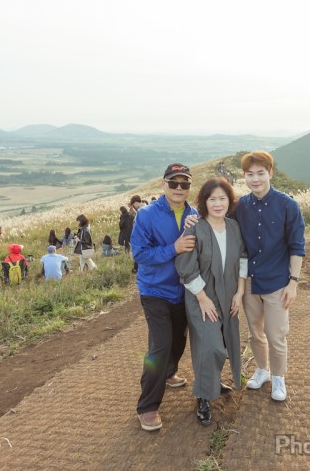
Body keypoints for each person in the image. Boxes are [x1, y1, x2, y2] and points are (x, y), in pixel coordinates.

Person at [175, 177, 247, 426]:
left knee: (226, 342)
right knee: (210, 344)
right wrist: (203, 298)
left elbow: (243, 259)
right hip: (201, 296)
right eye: (212, 199)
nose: (218, 203)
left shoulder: (234, 227)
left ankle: (212, 382)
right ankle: (203, 397)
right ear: (204, 202)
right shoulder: (195, 227)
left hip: (229, 294)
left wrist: (239, 293)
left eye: (222, 198)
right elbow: (185, 266)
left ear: (230, 201)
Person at [132, 163, 198, 432]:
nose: (179, 188)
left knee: (178, 340)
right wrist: (173, 248)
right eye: (174, 183)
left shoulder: (194, 214)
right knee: (160, 345)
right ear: (164, 184)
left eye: (185, 184)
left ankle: (169, 373)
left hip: (183, 290)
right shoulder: (146, 215)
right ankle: (147, 407)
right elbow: (140, 254)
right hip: (154, 290)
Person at [235, 151, 305, 402]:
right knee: (255, 332)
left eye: (260, 173)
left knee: (276, 334)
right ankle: (262, 370)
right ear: (244, 176)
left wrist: (293, 283)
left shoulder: (287, 205)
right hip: (250, 281)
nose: (255, 179)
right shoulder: (240, 206)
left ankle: (278, 377)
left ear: (270, 173)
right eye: (250, 174)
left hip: (277, 282)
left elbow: (297, 246)